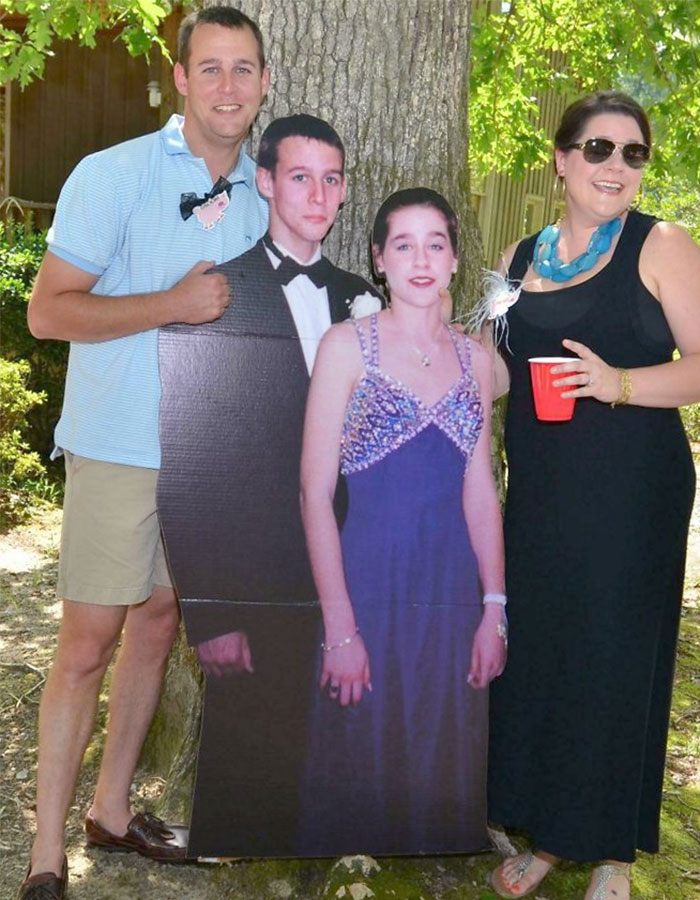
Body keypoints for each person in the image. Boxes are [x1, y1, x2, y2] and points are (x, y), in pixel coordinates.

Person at [19, 7, 270, 897]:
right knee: (88, 643)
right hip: (120, 445)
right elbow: (47, 312)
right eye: (210, 69)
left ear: (265, 83)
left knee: (159, 625)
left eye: (244, 70)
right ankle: (47, 856)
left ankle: (112, 813)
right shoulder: (112, 174)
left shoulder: (267, 195)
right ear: (180, 79)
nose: (228, 87)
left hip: (210, 458)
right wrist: (167, 303)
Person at [486, 91, 700, 900]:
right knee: (543, 653)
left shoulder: (663, 245)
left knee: (612, 656)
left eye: (634, 153)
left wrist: (618, 382)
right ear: (562, 158)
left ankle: (609, 848)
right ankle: (548, 834)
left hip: (632, 495)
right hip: (539, 494)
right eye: (600, 149)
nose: (617, 166)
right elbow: (494, 366)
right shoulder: (515, 257)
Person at [156, 114, 383, 856]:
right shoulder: (216, 294)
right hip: (254, 573)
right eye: (299, 176)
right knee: (259, 750)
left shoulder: (364, 299)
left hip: (358, 560)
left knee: (346, 741)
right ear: (265, 182)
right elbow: (188, 471)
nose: (317, 193)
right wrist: (209, 615)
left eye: (331, 178)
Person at [298, 187, 507, 855]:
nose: (421, 260)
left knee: (440, 729)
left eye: (436, 244)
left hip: (451, 585)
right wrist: (338, 627)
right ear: (378, 259)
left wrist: (494, 608)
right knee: (363, 729)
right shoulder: (345, 347)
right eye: (403, 245)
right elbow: (312, 491)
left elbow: (480, 490)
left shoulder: (476, 363)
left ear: (452, 262)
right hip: (368, 580)